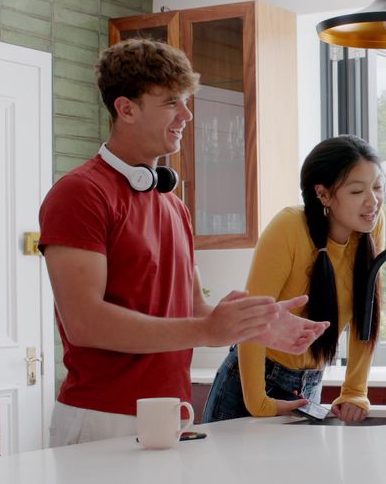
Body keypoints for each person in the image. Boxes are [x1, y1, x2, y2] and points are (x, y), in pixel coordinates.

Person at [39, 39, 326, 447]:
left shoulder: (173, 205)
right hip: (102, 418)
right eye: (172, 102)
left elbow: (193, 312)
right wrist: (207, 329)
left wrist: (250, 325)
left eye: (186, 102)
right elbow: (84, 323)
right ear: (126, 109)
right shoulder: (80, 193)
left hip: (170, 413)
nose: (187, 115)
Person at [202, 135, 385, 423]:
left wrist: (354, 391)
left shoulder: (371, 226)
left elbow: (366, 313)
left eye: (377, 187)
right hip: (254, 384)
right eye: (356, 191)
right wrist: (259, 402)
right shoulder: (289, 227)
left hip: (310, 384)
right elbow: (252, 319)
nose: (372, 201)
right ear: (323, 194)